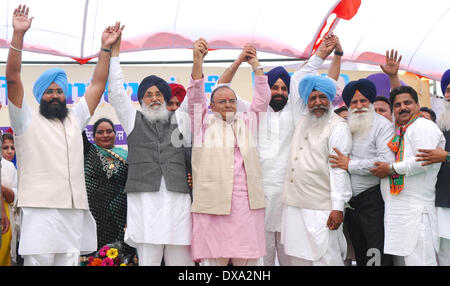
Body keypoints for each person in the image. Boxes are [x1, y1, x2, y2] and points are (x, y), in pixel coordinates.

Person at [5, 5, 123, 266]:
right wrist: (18, 35)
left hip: (73, 210)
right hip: (40, 211)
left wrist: (105, 48)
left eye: (59, 91)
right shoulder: (25, 120)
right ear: (40, 96)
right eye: (49, 91)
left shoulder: (75, 118)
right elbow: (13, 79)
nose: (55, 95)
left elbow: (96, 85)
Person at [215, 34, 341, 266]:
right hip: (257, 195)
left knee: (290, 256)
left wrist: (326, 54)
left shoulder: (295, 112)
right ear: (264, 89)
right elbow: (221, 88)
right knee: (261, 256)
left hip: (290, 197)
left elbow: (320, 85)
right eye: (274, 87)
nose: (280, 92)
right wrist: (240, 61)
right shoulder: (252, 110)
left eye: (284, 88)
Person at [107, 35, 194, 266]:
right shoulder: (133, 120)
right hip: (146, 203)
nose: (154, 98)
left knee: (181, 263)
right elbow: (116, 92)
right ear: (141, 99)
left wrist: (197, 60)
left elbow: (195, 94)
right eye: (149, 94)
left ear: (166, 99)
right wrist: (114, 53)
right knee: (149, 261)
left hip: (177, 202)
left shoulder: (181, 119)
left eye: (159, 95)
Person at [188, 39, 269, 266]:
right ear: (211, 106)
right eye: (221, 101)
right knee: (215, 262)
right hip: (214, 205)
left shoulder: (247, 121)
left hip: (245, 205)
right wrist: (197, 61)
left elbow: (262, 101)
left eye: (232, 101)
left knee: (247, 263)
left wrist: (256, 65)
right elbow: (195, 96)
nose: (228, 104)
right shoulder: (202, 123)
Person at [281, 74, 352, 266]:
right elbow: (296, 80)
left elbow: (339, 170)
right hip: (294, 205)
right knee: (298, 258)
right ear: (307, 101)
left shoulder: (338, 127)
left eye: (322, 97)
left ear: (330, 99)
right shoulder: (301, 118)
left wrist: (338, 208)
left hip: (322, 208)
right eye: (313, 98)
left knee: (326, 258)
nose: (318, 102)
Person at [370, 85, 445, 266]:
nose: (402, 107)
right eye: (397, 105)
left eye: (408, 103)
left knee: (421, 261)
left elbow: (422, 161)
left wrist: (390, 169)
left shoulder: (423, 126)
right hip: (400, 214)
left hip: (417, 214)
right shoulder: (401, 131)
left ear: (417, 105)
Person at [330, 78, 394, 266]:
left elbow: (385, 163)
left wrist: (350, 164)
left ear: (371, 102)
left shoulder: (383, 126)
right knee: (360, 255)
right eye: (354, 102)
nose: (359, 105)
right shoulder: (344, 125)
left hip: (373, 202)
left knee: (376, 255)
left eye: (363, 100)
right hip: (351, 206)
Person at [82, 118, 135, 259]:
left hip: (120, 217)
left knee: (119, 257)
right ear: (93, 136)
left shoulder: (126, 156)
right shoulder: (89, 151)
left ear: (115, 134)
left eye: (109, 131)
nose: (105, 135)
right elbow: (76, 126)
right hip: (95, 217)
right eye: (100, 132)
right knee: (96, 258)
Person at [416, 69, 450, 265]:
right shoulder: (440, 126)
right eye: (447, 90)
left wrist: (446, 156)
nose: (449, 95)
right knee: (444, 255)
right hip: (443, 203)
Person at [0, 133, 18, 266]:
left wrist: (3, 190)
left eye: (12, 147)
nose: (10, 151)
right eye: (5, 148)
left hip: (6, 217)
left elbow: (15, 198)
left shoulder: (10, 167)